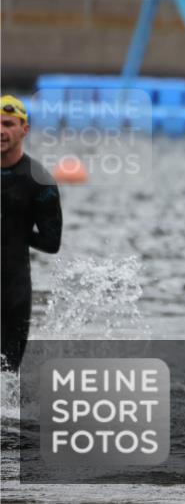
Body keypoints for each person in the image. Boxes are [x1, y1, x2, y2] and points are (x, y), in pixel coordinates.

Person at [1, 95, 62, 372]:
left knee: (7, 377)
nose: (1, 131)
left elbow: (52, 243)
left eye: (8, 124)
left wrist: (17, 228)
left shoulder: (38, 179)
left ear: (24, 130)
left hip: (13, 292)